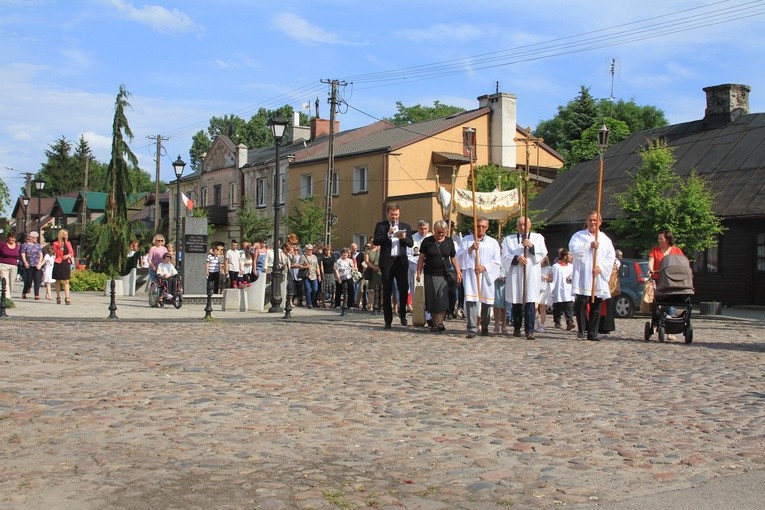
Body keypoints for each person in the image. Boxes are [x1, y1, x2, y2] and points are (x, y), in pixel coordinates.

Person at [569, 211, 616, 341]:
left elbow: (610, 257)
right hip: (583, 276)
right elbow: (573, 248)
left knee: (596, 306)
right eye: (590, 220)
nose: (592, 222)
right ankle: (581, 329)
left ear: (600, 222)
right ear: (587, 221)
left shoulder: (605, 239)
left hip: (597, 276)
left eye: (595, 220)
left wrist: (601, 268)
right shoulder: (579, 236)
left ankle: (593, 332)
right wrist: (588, 245)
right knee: (581, 303)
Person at [502, 216, 548, 340]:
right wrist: (516, 258)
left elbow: (543, 253)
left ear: (530, 225)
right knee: (516, 302)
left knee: (530, 302)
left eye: (524, 224)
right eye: (520, 225)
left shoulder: (538, 238)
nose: (522, 227)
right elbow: (505, 256)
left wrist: (532, 247)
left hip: (531, 273)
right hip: (516, 273)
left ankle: (529, 330)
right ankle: (517, 327)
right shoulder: (508, 239)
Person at [457, 217, 501, 338]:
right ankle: (472, 328)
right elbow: (458, 258)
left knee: (486, 302)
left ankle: (485, 326)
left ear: (487, 227)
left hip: (485, 275)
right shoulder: (466, 240)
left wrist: (485, 267)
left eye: (483, 226)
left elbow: (497, 262)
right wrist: (470, 249)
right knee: (471, 301)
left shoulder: (492, 243)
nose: (480, 228)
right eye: (478, 226)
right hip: (471, 274)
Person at [373, 202, 414, 329]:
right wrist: (387, 235)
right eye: (392, 215)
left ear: (399, 214)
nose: (394, 217)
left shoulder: (405, 226)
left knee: (403, 289)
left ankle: (402, 315)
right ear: (388, 214)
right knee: (387, 291)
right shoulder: (381, 226)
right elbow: (375, 241)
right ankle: (388, 320)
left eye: (396, 215)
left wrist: (403, 238)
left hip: (401, 262)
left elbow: (411, 243)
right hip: (387, 262)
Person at [416, 219, 461, 332]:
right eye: (438, 232)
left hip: (444, 274)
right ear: (434, 231)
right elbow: (421, 258)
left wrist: (458, 271)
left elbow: (453, 258)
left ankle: (440, 322)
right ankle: (435, 323)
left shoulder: (449, 242)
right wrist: (418, 271)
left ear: (446, 232)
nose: (440, 235)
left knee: (442, 298)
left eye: (442, 233)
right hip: (430, 273)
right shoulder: (427, 241)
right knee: (432, 298)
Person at [551, 248, 575, 330]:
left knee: (569, 306)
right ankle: (557, 321)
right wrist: (552, 290)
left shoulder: (572, 267)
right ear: (565, 256)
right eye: (570, 255)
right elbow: (553, 279)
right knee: (558, 306)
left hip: (569, 289)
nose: (571, 257)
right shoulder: (556, 267)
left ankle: (569, 322)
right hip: (559, 289)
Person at [53, 229, 75, 305]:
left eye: (67, 235)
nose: (66, 236)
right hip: (59, 262)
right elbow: (57, 253)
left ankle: (67, 297)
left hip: (66, 263)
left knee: (66, 280)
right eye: (64, 235)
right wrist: (61, 246)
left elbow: (72, 253)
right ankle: (58, 297)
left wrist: (68, 255)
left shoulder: (68, 243)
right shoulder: (56, 243)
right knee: (58, 280)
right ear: (61, 235)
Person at [20, 231, 43, 300]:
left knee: (37, 280)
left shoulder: (38, 245)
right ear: (31, 238)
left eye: (36, 237)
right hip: (29, 264)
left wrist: (39, 263)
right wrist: (25, 262)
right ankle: (24, 292)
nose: (36, 239)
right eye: (35, 237)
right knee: (28, 280)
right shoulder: (25, 245)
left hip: (36, 265)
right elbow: (23, 254)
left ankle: (37, 294)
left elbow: (41, 254)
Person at [298, 244, 321, 308]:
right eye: (308, 250)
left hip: (314, 275)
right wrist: (305, 266)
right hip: (306, 275)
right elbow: (299, 266)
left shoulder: (314, 257)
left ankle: (313, 301)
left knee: (315, 289)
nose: (310, 251)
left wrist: (319, 275)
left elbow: (317, 266)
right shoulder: (303, 257)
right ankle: (309, 303)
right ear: (306, 250)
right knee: (308, 290)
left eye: (311, 250)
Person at [334, 247, 355, 315]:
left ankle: (350, 304)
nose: (345, 254)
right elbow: (336, 270)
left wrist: (352, 266)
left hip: (349, 276)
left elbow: (353, 269)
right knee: (339, 290)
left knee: (351, 290)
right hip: (341, 276)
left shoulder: (350, 260)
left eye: (346, 253)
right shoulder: (339, 261)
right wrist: (338, 278)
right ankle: (337, 304)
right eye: (343, 253)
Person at [364, 240, 382, 313]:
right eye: (372, 241)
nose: (374, 243)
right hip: (372, 270)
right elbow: (367, 261)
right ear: (370, 242)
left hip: (381, 270)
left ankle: (380, 305)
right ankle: (371, 304)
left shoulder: (380, 249)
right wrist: (373, 267)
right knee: (372, 289)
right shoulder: (368, 250)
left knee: (381, 289)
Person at [537, 256, 553, 333]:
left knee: (543, 308)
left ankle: (542, 324)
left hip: (545, 289)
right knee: (535, 307)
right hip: (536, 288)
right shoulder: (536, 267)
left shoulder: (549, 268)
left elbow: (551, 279)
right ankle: (536, 322)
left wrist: (546, 277)